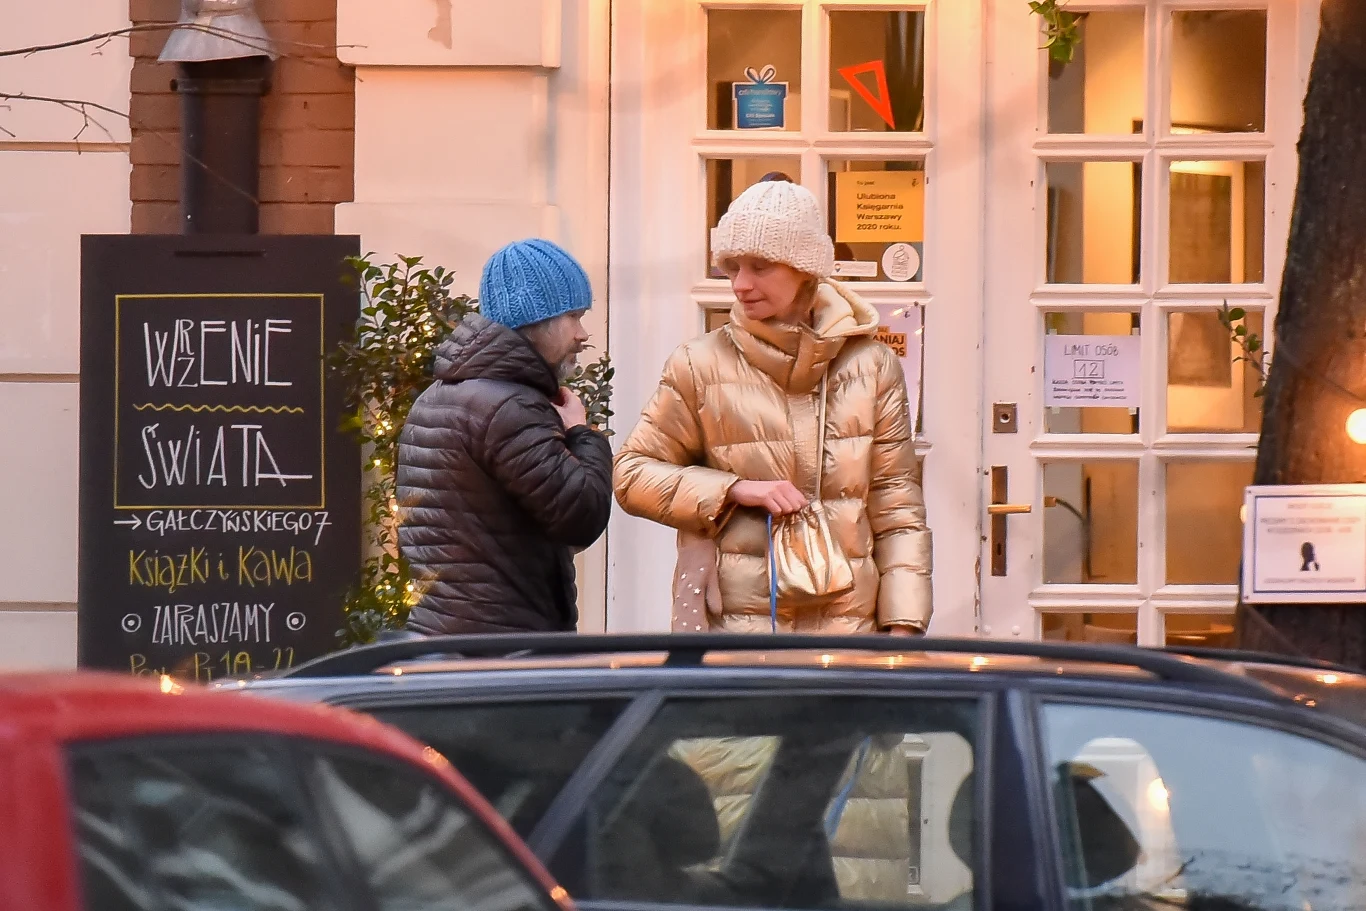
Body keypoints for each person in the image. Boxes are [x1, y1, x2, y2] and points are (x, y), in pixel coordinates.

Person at [613, 178, 933, 635]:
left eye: (760, 266)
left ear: (804, 269)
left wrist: (904, 625)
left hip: (851, 634)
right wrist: (734, 489)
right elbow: (630, 474)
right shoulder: (699, 364)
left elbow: (898, 507)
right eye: (732, 266)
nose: (741, 284)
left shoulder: (872, 366)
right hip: (739, 634)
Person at [396, 238, 613, 635]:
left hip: (447, 635)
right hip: (502, 647)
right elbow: (582, 514)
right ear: (537, 320)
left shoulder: (438, 396)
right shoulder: (509, 407)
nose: (583, 334)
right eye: (574, 317)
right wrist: (582, 431)